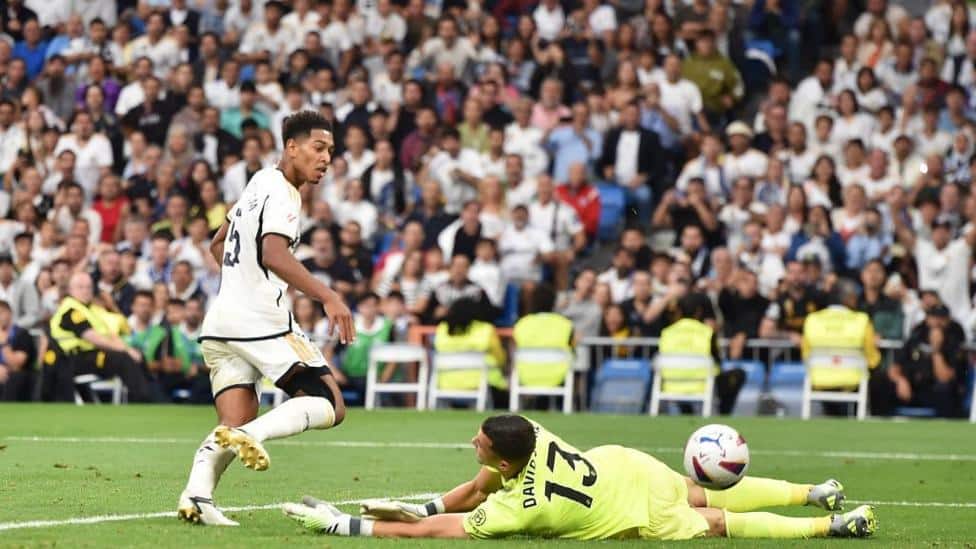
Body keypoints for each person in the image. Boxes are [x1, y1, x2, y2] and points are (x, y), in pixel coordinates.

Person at [283, 414, 876, 540]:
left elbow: (438, 529)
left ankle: (833, 528)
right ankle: (813, 492)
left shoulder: (521, 511)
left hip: (628, 513)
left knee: (714, 519)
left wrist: (347, 529)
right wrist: (401, 505)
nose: (474, 444)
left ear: (503, 457)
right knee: (696, 487)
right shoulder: (533, 433)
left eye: (481, 443)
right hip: (623, 464)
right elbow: (462, 494)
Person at [177, 111, 355, 526]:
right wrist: (329, 296)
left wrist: (242, 282)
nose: (327, 157)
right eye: (318, 147)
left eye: (330, 150)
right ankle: (251, 437)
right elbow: (274, 252)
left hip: (221, 320)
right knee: (331, 403)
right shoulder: (285, 193)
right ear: (291, 147)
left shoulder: (258, 181)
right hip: (260, 320)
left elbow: (218, 245)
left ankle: (196, 497)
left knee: (232, 419)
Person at [47, 272, 152, 403]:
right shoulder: (71, 310)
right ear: (71, 289)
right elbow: (95, 339)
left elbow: (111, 334)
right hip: (74, 359)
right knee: (123, 359)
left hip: (93, 354)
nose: (85, 291)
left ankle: (154, 393)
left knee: (137, 355)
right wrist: (125, 350)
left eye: (88, 287)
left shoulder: (93, 309)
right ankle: (142, 399)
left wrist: (128, 349)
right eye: (80, 287)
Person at [870, 303, 968, 418]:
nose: (937, 322)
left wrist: (936, 349)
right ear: (927, 318)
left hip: (934, 391)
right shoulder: (917, 336)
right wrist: (900, 380)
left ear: (947, 320)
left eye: (941, 318)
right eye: (934, 317)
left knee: (944, 389)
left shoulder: (953, 340)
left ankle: (943, 427)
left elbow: (945, 378)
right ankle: (879, 420)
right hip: (911, 388)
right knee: (879, 381)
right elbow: (895, 367)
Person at [800, 278, 881, 416]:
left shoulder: (812, 320)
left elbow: (805, 354)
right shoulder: (862, 320)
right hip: (853, 380)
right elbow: (873, 359)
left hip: (819, 378)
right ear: (848, 298)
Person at [0, 299, 37, 401]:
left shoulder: (22, 334)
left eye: (2, 312)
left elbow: (17, 364)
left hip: (17, 376)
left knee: (15, 378)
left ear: (10, 313)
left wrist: (4, 343)